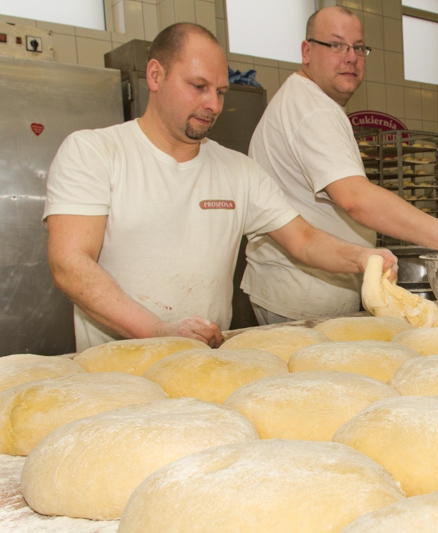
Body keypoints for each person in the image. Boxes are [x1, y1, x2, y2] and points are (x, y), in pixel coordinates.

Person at [43, 22, 395, 352]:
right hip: (116, 366)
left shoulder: (238, 171)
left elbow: (303, 239)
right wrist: (158, 330)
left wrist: (362, 258)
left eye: (221, 91)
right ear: (155, 75)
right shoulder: (94, 152)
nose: (213, 105)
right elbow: (70, 263)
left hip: (203, 361)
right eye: (198, 87)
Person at [244, 5, 438, 325]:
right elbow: (355, 199)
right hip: (301, 297)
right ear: (307, 51)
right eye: (335, 45)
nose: (350, 57)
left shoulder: (306, 101)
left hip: (303, 291)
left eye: (358, 47)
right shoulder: (312, 111)